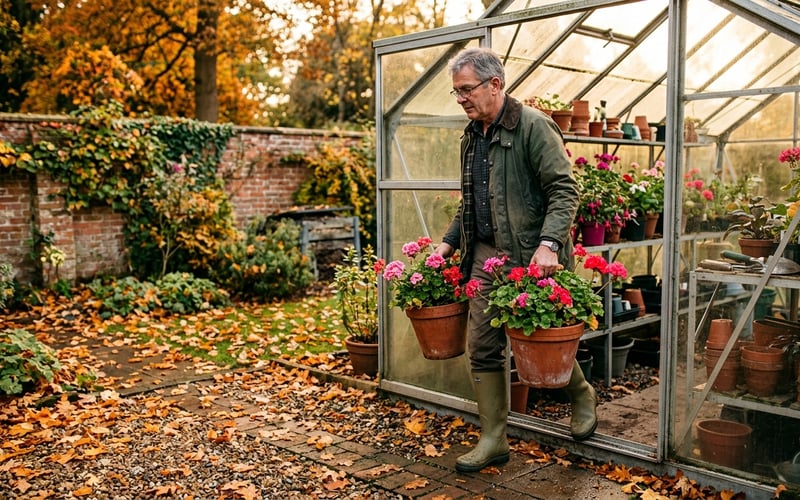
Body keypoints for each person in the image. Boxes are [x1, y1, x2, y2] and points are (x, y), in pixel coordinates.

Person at [434, 47, 597, 473]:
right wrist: (448, 245)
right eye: (456, 92)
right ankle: (494, 438)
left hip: (531, 254)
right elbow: (469, 203)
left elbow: (565, 192)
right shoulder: (471, 136)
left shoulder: (534, 127)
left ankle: (582, 396)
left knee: (540, 339)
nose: (462, 99)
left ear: (495, 85)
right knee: (483, 345)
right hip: (486, 256)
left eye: (467, 90)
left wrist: (549, 244)